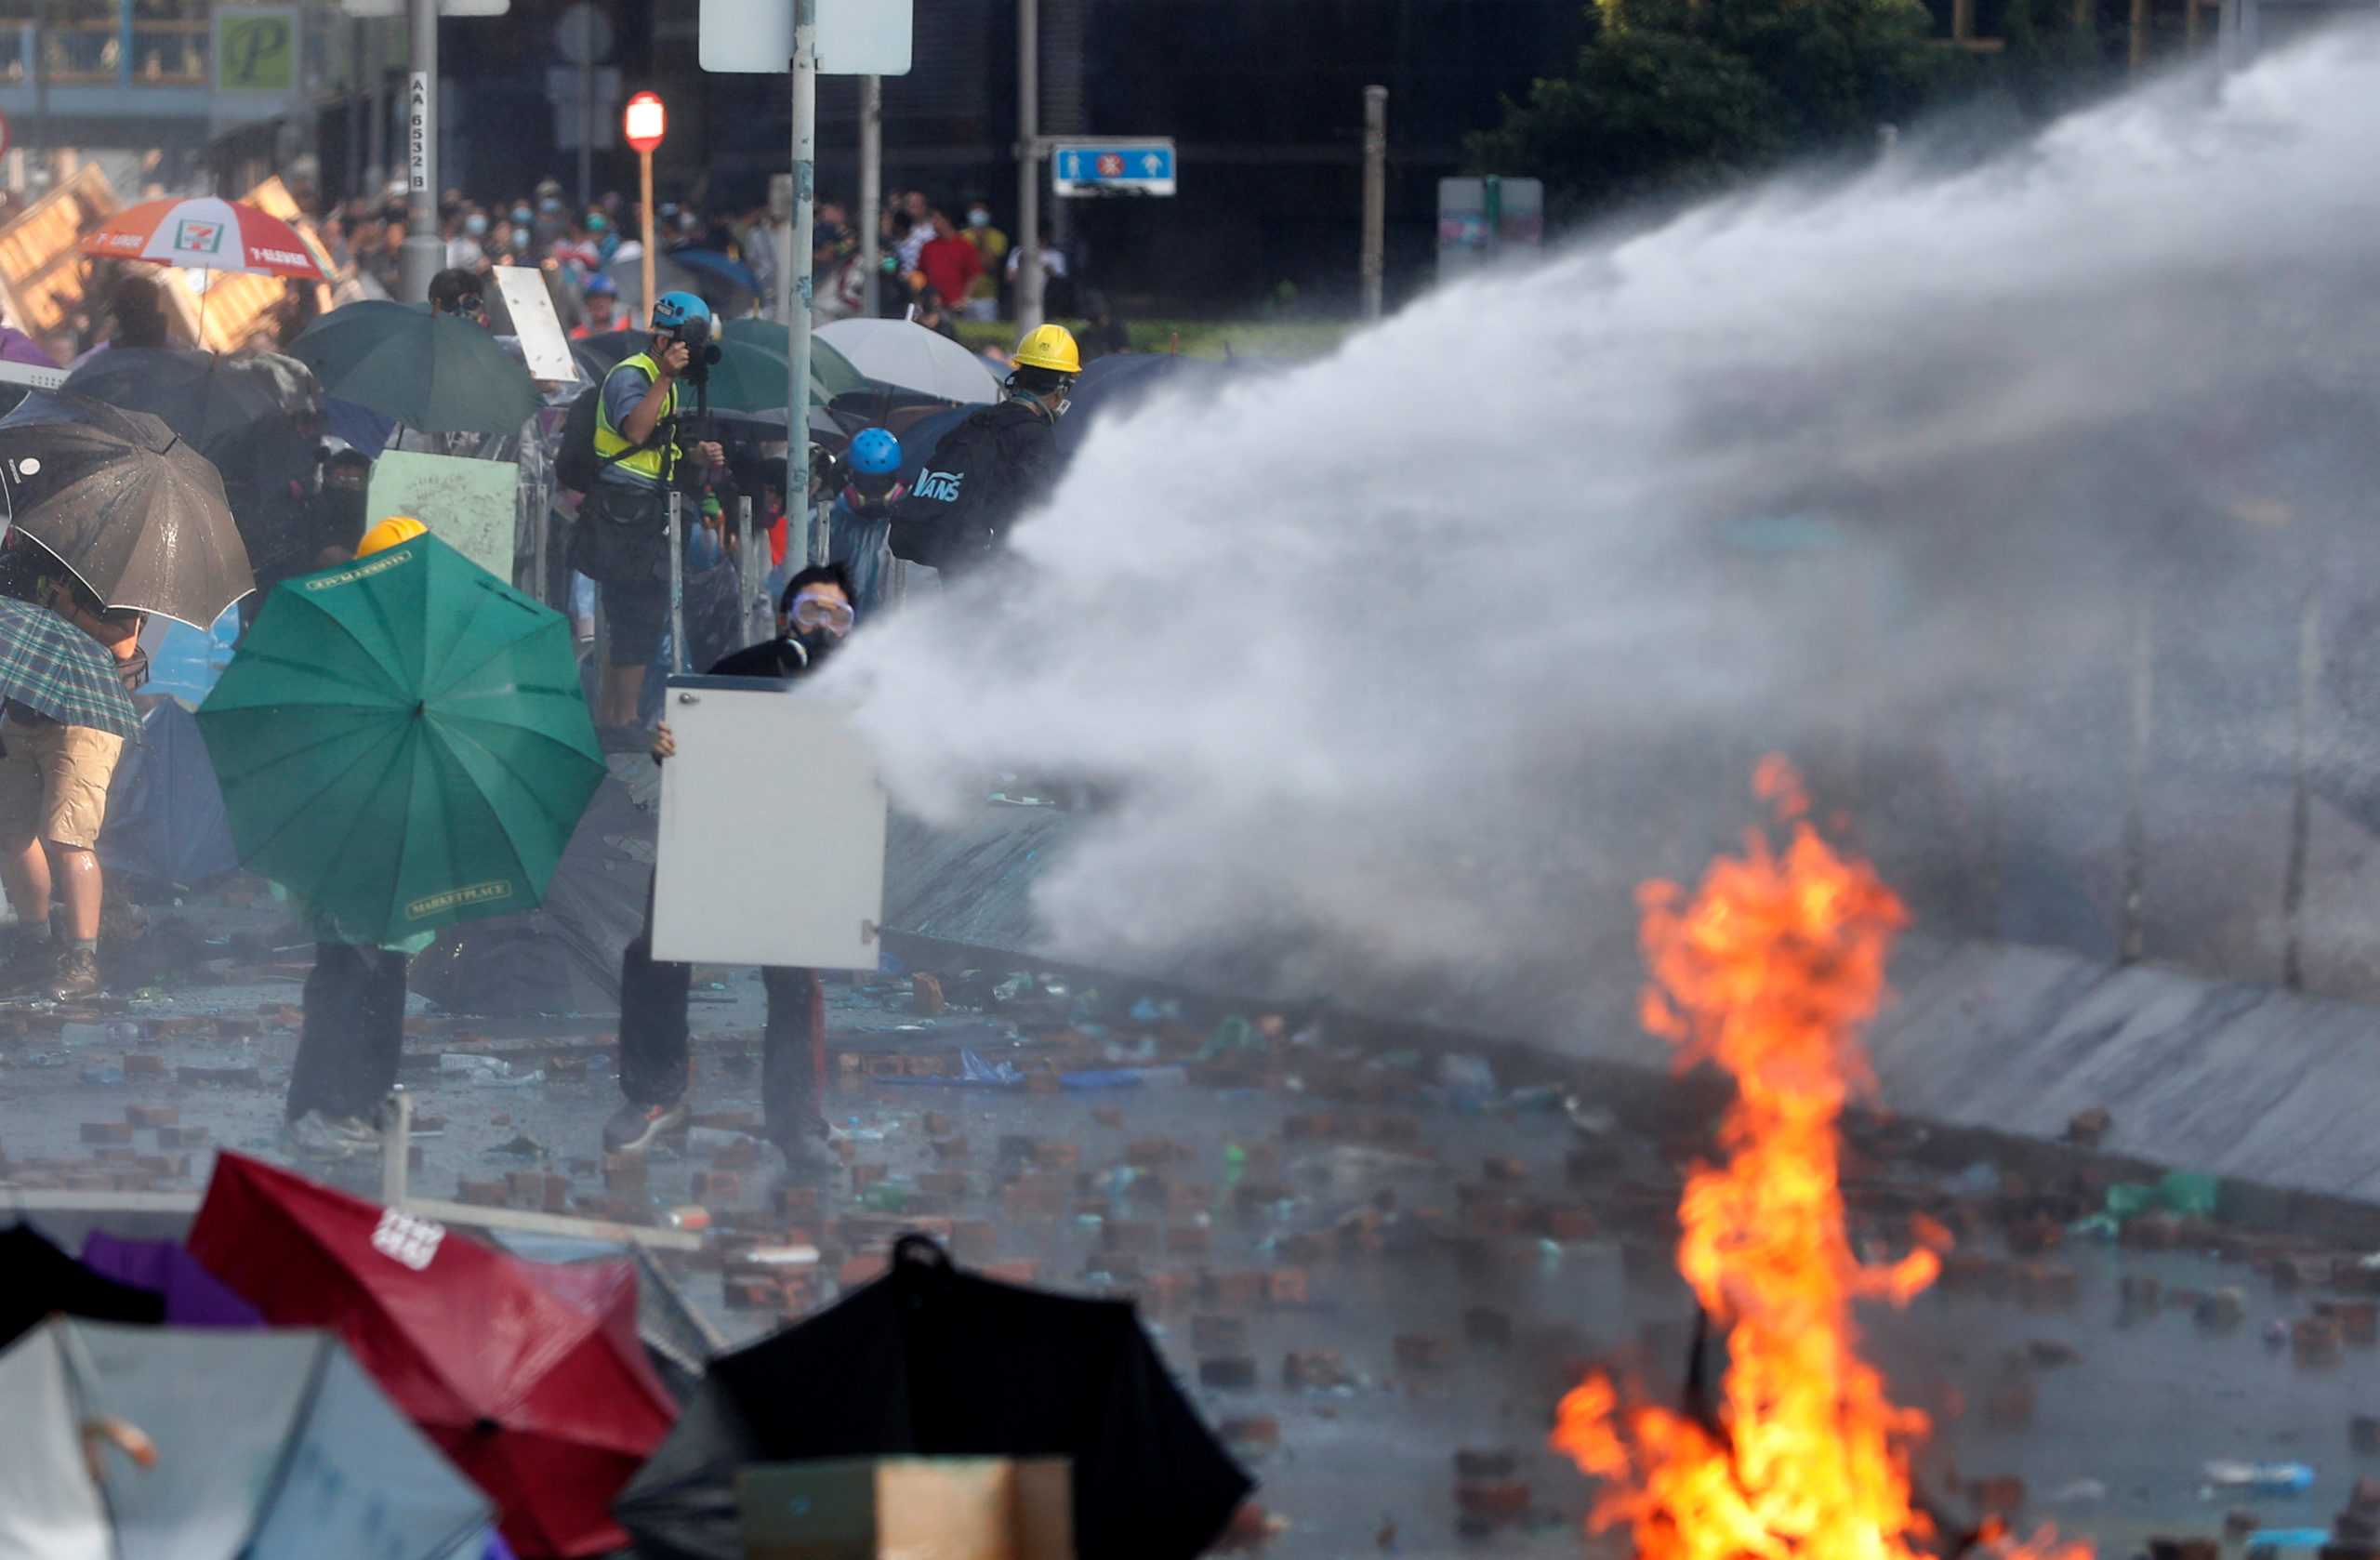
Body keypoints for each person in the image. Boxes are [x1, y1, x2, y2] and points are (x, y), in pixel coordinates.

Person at [606, 562, 859, 1165]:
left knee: (797, 976)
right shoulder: (737, 673)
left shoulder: (864, 693)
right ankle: (654, 1099)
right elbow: (688, 749)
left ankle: (797, 1120)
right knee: (656, 950)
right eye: (810, 612)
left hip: (797, 849)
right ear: (783, 618)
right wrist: (665, 746)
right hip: (712, 834)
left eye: (838, 616)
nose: (823, 627)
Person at [277, 517, 438, 1157]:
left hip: (395, 841)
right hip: (350, 841)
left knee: (383, 980)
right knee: (347, 977)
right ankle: (318, 1107)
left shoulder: (418, 644)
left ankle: (364, 1104)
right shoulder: (344, 640)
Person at [570, 290, 725, 745]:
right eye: (686, 345)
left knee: (634, 619)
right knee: (636, 617)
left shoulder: (665, 380)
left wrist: (697, 455)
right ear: (668, 339)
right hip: (622, 513)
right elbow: (634, 430)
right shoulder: (633, 376)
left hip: (640, 511)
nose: (691, 356)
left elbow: (656, 448)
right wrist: (665, 379)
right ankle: (622, 722)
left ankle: (616, 719)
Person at [0, 537, 146, 1001]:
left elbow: (125, 645)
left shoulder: (121, 563)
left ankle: (84, 959)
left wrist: (70, 609)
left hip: (88, 714)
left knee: (70, 837)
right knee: (10, 832)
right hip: (25, 708)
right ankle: (34, 945)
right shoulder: (21, 559)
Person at [888, 324, 1076, 577]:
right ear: (1060, 390)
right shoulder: (1036, 437)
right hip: (988, 569)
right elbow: (1029, 510)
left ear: (1017, 378)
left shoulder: (977, 421)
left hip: (952, 555)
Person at [827, 428, 905, 615]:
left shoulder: (910, 526)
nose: (874, 490)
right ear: (851, 476)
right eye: (866, 481)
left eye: (882, 481)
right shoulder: (828, 521)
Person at [917, 210, 983, 324]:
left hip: (955, 306)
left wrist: (964, 299)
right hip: (933, 306)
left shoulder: (964, 245)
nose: (933, 223)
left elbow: (973, 275)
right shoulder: (928, 246)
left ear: (947, 221)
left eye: (937, 219)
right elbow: (921, 274)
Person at [573, 272, 620, 337]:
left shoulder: (627, 327)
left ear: (612, 301)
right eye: (596, 298)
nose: (600, 303)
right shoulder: (576, 335)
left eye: (605, 297)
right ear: (588, 302)